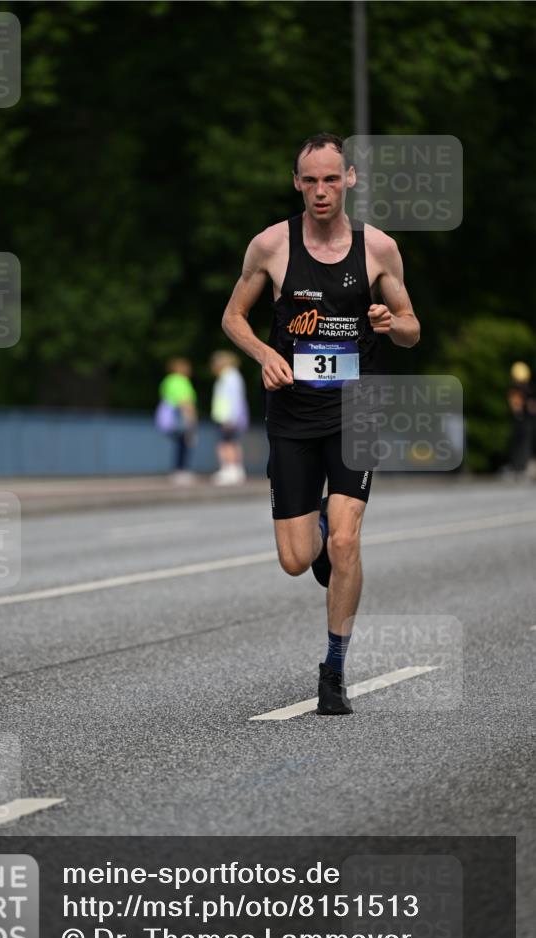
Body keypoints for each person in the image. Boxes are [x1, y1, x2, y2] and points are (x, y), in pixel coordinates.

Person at [221, 133, 420, 715]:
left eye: (331, 178)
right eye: (310, 180)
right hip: (292, 413)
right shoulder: (271, 246)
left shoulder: (378, 248)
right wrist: (265, 354)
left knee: (347, 539)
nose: (321, 190)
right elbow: (233, 317)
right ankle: (326, 534)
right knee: (297, 559)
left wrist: (391, 322)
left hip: (357, 408)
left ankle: (333, 670)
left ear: (350, 178)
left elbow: (412, 328)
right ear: (296, 183)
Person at [210, 350, 249, 485]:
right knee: (232, 442)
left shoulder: (228, 377)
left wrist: (230, 418)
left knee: (225, 443)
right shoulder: (232, 376)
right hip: (230, 416)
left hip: (227, 417)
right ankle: (236, 470)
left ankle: (229, 469)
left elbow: (233, 398)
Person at [157, 358, 198, 484]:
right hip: (181, 418)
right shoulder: (180, 381)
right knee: (184, 444)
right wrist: (192, 420)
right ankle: (181, 471)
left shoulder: (167, 381)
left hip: (170, 419)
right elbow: (185, 401)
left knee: (179, 444)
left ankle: (177, 470)